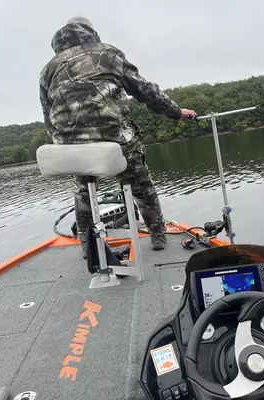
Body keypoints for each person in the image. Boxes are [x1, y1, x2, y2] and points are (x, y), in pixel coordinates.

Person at [39, 17, 196, 256]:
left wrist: (64, 143)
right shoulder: (107, 54)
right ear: (91, 32)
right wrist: (176, 112)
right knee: (141, 186)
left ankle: (87, 245)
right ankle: (157, 235)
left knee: (83, 193)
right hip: (115, 141)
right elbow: (145, 91)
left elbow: (48, 116)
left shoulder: (47, 70)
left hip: (70, 149)